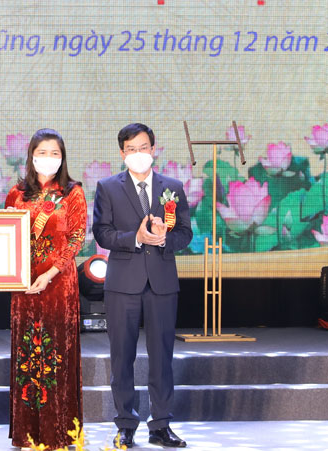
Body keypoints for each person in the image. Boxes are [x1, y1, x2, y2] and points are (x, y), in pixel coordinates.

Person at [91, 123, 192, 449]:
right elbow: (101, 232)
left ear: (154, 149)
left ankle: (161, 426)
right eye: (131, 149)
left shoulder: (172, 187)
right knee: (122, 358)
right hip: (123, 284)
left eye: (143, 147)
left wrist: (164, 239)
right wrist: (135, 237)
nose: (138, 153)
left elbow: (185, 233)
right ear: (122, 153)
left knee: (162, 357)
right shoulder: (108, 187)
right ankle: (126, 425)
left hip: (162, 283)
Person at [3, 129, 86, 449]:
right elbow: (5, 236)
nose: (48, 158)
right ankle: (27, 433)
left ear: (62, 158)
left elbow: (76, 238)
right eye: (42, 152)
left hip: (58, 285)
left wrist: (50, 273)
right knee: (28, 355)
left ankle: (59, 432)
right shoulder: (17, 194)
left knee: (56, 356)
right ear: (31, 156)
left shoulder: (72, 193)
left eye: (55, 153)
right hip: (24, 285)